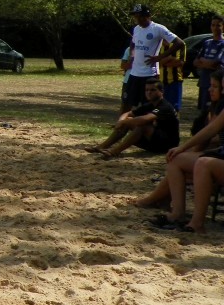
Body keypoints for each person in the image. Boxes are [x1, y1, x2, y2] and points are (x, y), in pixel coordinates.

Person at [134, 70, 223, 215]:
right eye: (210, 85)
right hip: (212, 151)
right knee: (178, 162)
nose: (210, 89)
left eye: (215, 86)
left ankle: (161, 204)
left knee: (176, 161)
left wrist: (187, 149)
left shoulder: (219, 108)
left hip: (215, 154)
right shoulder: (214, 106)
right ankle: (161, 201)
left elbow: (209, 134)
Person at [88, 78, 179, 158]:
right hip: (154, 141)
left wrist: (123, 123)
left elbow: (145, 119)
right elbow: (128, 113)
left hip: (167, 145)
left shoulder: (165, 106)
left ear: (162, 91)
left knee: (141, 125)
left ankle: (114, 152)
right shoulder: (150, 104)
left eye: (153, 90)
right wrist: (121, 121)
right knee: (128, 121)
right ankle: (101, 147)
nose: (149, 92)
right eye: (146, 90)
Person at [123, 4, 182, 110]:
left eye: (139, 16)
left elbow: (179, 43)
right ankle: (128, 125)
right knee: (127, 103)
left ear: (147, 15)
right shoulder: (136, 29)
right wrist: (132, 55)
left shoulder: (158, 29)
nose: (137, 19)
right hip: (134, 73)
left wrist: (159, 57)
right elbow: (133, 43)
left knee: (148, 105)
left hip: (149, 74)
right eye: (135, 16)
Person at [194, 14, 224, 111]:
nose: (215, 28)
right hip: (204, 82)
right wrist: (208, 63)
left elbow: (215, 63)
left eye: (218, 25)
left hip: (216, 85)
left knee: (213, 111)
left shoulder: (222, 44)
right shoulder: (207, 42)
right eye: (213, 25)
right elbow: (195, 62)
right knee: (202, 111)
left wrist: (204, 62)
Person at [158, 38, 185, 114]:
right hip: (161, 81)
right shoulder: (157, 46)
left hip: (175, 81)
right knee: (161, 107)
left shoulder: (180, 44)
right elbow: (156, 62)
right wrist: (169, 58)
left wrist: (163, 60)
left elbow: (180, 63)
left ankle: (174, 124)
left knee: (175, 108)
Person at [118, 44, 132, 114]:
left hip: (143, 80)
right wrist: (132, 60)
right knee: (125, 104)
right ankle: (121, 123)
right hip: (128, 81)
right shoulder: (129, 49)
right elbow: (123, 65)